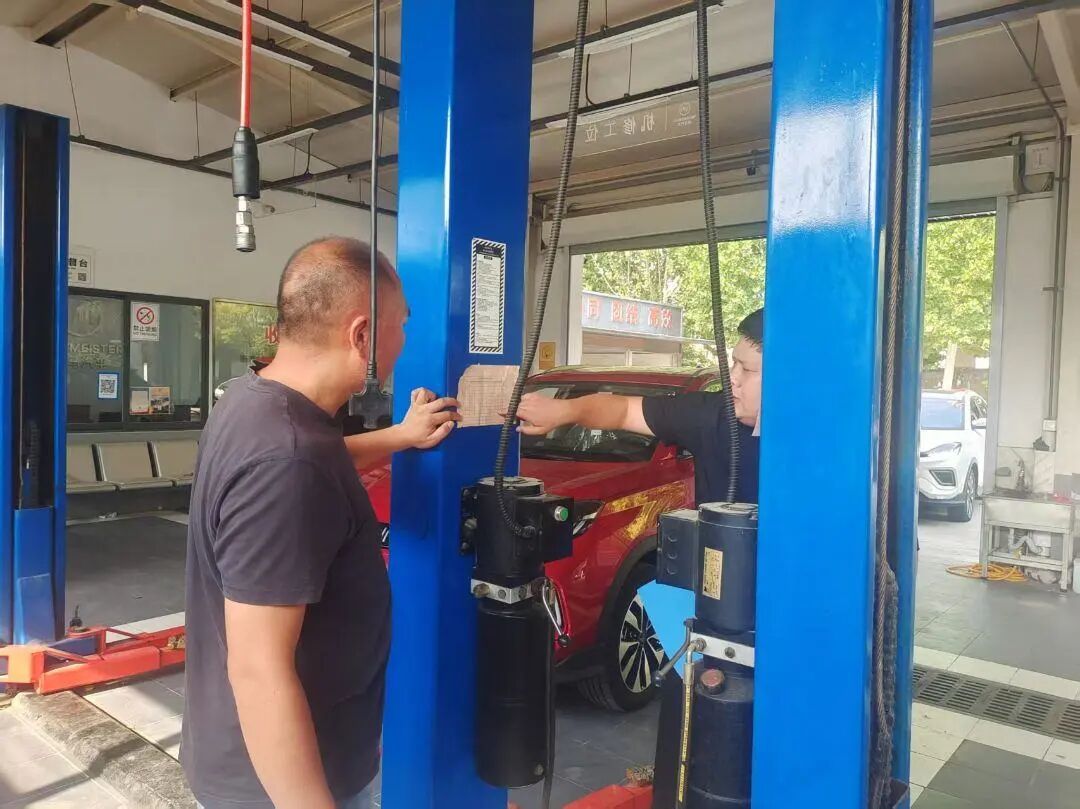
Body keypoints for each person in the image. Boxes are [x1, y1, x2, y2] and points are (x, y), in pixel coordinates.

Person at [181, 237, 457, 809]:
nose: (405, 339)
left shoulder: (254, 404)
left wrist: (400, 436)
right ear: (363, 336)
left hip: (259, 763)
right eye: (401, 325)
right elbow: (259, 670)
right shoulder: (287, 460)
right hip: (279, 785)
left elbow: (318, 460)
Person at [516, 308, 764, 506]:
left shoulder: (791, 443)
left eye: (747, 369)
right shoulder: (708, 415)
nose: (731, 377)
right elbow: (623, 410)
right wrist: (565, 411)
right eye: (733, 364)